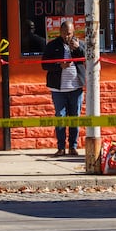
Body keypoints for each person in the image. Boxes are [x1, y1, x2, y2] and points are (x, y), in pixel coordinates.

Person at [41, 20, 85, 157]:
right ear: (60, 32)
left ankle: (73, 146)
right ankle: (61, 147)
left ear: (74, 33)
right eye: (65, 33)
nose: (67, 36)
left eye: (70, 34)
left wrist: (77, 48)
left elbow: (86, 59)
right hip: (58, 89)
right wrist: (59, 66)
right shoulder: (52, 45)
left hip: (76, 88)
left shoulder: (78, 44)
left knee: (74, 118)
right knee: (60, 117)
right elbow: (44, 65)